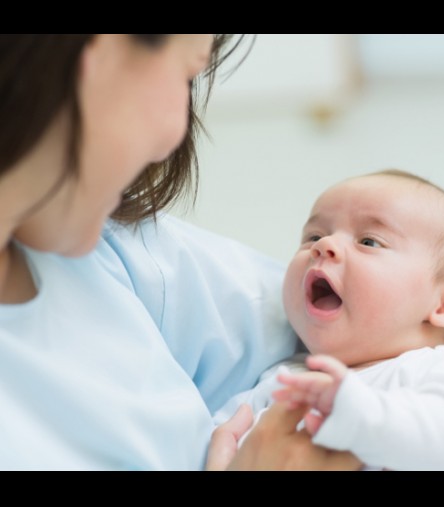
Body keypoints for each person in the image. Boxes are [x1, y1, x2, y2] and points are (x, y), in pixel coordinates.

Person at [0, 34, 360, 471]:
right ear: (104, 50)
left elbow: (379, 325)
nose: (174, 136)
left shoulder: (109, 248)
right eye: (188, 73)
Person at [214, 169, 444, 471]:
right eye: (314, 235)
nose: (324, 245)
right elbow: (214, 442)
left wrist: (360, 418)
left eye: (369, 241)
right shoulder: (280, 380)